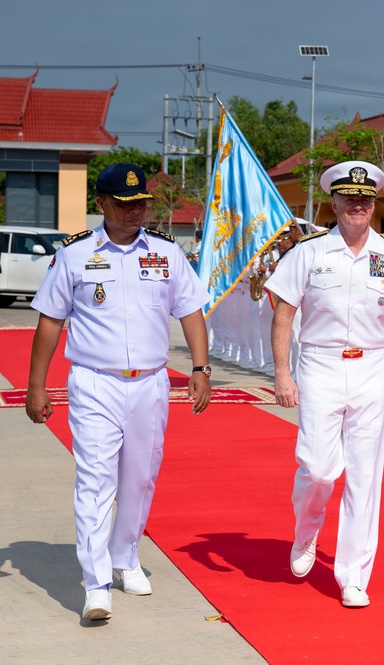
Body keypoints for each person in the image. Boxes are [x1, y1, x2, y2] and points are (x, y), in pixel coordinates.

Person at [26, 163, 212, 621]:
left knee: (140, 476)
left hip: (149, 382)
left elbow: (190, 310)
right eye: (125, 205)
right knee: (95, 481)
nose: (136, 212)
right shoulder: (74, 255)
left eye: (142, 204)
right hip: (94, 382)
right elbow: (51, 320)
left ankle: (125, 556)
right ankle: (96, 584)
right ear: (102, 205)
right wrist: (35, 385)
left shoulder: (166, 254)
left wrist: (201, 367)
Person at [266, 160, 384, 608]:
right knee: (317, 468)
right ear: (332, 201)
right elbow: (284, 313)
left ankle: (353, 575)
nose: (358, 205)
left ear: (374, 203)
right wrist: (282, 372)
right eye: (349, 198)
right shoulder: (309, 252)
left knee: (364, 475)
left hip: (372, 367)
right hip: (320, 364)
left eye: (365, 199)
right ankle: (307, 531)